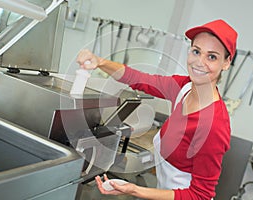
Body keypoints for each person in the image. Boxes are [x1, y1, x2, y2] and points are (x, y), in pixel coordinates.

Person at [76, 19, 238, 200]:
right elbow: (137, 78)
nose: (199, 62)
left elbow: (200, 195)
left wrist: (134, 190)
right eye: (196, 51)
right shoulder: (184, 87)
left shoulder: (214, 125)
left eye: (212, 56)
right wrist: (99, 62)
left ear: (226, 63)